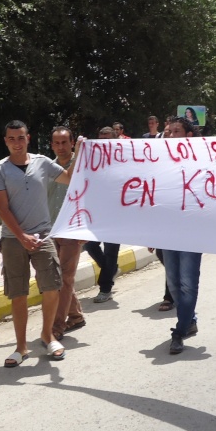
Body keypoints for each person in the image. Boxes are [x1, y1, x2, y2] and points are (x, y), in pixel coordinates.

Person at [0, 120, 78, 366]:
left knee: (52, 288)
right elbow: (2, 207)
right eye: (11, 138)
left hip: (43, 235)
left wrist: (80, 152)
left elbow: (69, 178)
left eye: (20, 137)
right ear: (5, 141)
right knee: (18, 294)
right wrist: (21, 236)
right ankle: (21, 347)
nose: (16, 143)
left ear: (28, 138)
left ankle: (48, 335)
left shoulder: (42, 162)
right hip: (12, 239)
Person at [166, 117, 202, 354]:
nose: (170, 136)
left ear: (188, 136)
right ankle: (188, 320)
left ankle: (179, 331)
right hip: (167, 230)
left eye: (176, 131)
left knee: (187, 283)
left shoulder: (202, 158)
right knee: (173, 282)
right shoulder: (160, 160)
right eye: (168, 132)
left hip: (191, 230)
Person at [47, 126, 87, 339]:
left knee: (64, 278)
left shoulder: (84, 164)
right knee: (56, 276)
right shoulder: (47, 167)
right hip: (51, 229)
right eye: (56, 142)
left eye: (64, 142)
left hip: (73, 229)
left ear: (72, 143)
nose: (60, 147)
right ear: (52, 144)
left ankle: (56, 326)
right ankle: (76, 315)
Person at [83, 127, 121, 302]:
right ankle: (110, 269)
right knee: (90, 246)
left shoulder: (121, 160)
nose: (103, 142)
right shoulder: (92, 161)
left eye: (107, 139)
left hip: (115, 214)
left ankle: (105, 288)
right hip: (96, 214)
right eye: (100, 138)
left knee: (111, 251)